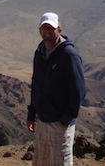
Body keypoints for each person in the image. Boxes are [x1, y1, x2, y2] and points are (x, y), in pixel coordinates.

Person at [26, 12, 87, 166]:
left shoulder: (69, 55)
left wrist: (65, 120)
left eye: (51, 28)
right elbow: (36, 84)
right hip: (42, 120)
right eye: (44, 28)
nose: (47, 31)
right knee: (41, 160)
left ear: (59, 29)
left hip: (60, 123)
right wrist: (32, 114)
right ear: (39, 30)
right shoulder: (39, 53)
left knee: (61, 162)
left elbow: (79, 90)